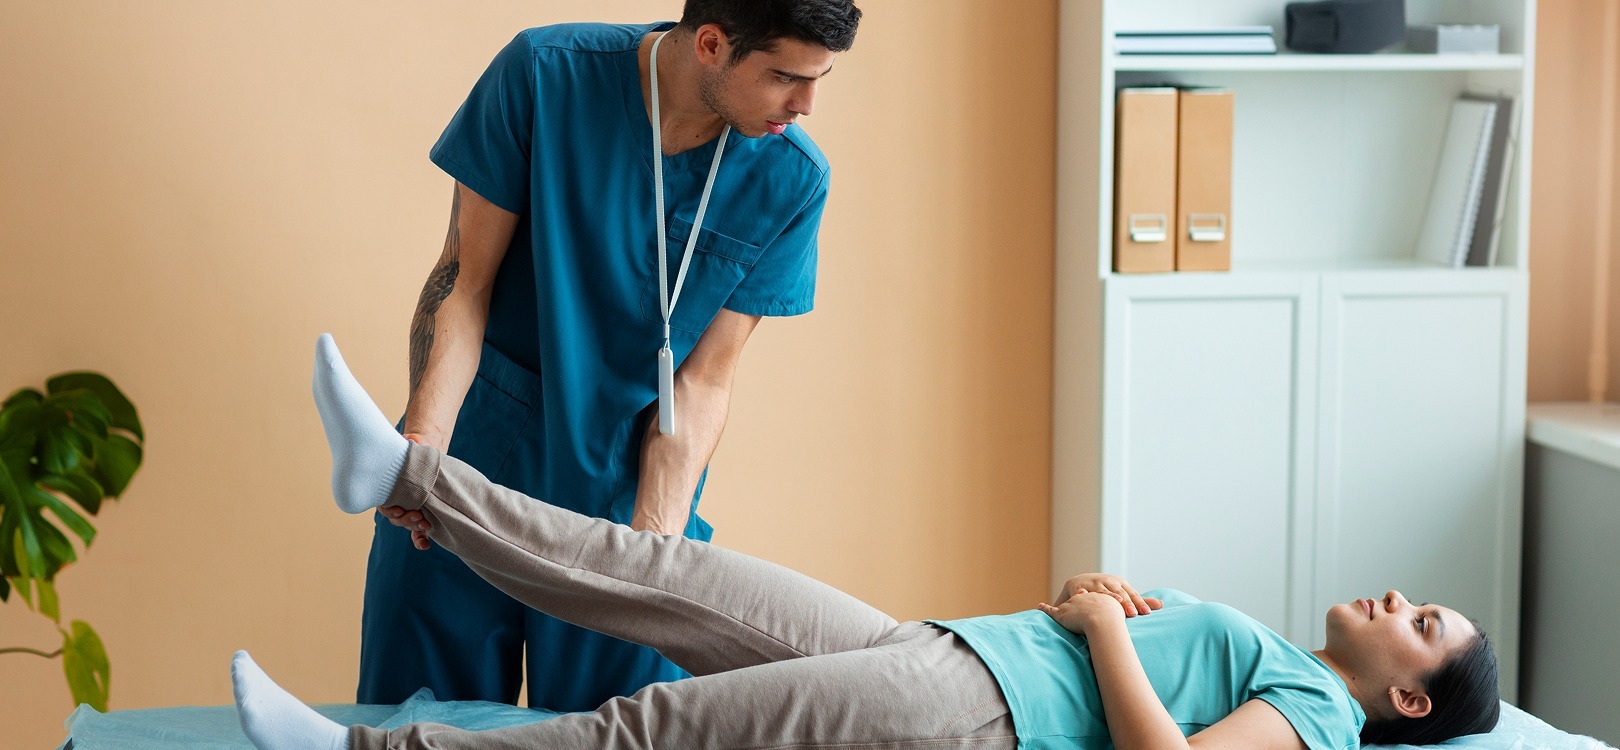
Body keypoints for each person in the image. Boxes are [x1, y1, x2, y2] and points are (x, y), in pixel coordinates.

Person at [252, 334, 1501, 750]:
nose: (1401, 598)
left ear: (1406, 696)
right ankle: (403, 474)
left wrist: (1102, 626)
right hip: (950, 654)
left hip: (973, 711)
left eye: (1424, 623)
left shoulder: (1321, 715)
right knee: (661, 571)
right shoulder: (1286, 659)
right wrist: (1085, 603)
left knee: (656, 730)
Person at [363, 0, 862, 711]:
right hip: (476, 457)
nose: (806, 104)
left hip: (630, 493)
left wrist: (651, 551)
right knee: (417, 721)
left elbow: (703, 380)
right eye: (785, 76)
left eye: (819, 79)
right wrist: (424, 453)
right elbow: (463, 284)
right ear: (712, 44)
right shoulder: (544, 75)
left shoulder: (790, 177)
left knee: (623, 729)